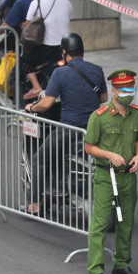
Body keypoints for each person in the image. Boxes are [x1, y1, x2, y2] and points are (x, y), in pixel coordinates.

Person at [22, 33, 106, 216]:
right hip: (93, 129)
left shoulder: (60, 73)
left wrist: (31, 107)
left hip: (69, 130)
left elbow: (46, 104)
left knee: (39, 160)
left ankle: (35, 204)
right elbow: (104, 98)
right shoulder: (97, 69)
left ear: (64, 53)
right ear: (82, 51)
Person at [84, 69, 138, 274]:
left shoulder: (136, 114)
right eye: (124, 90)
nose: (129, 93)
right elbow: (89, 147)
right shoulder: (99, 117)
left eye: (131, 89)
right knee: (101, 223)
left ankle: (121, 264)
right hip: (105, 175)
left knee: (126, 221)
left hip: (127, 176)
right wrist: (109, 154)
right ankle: (95, 270)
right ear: (113, 91)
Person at [20, 0, 73, 100]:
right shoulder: (66, 1)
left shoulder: (37, 2)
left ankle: (36, 86)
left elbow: (27, 24)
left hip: (44, 49)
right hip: (63, 49)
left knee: (24, 59)